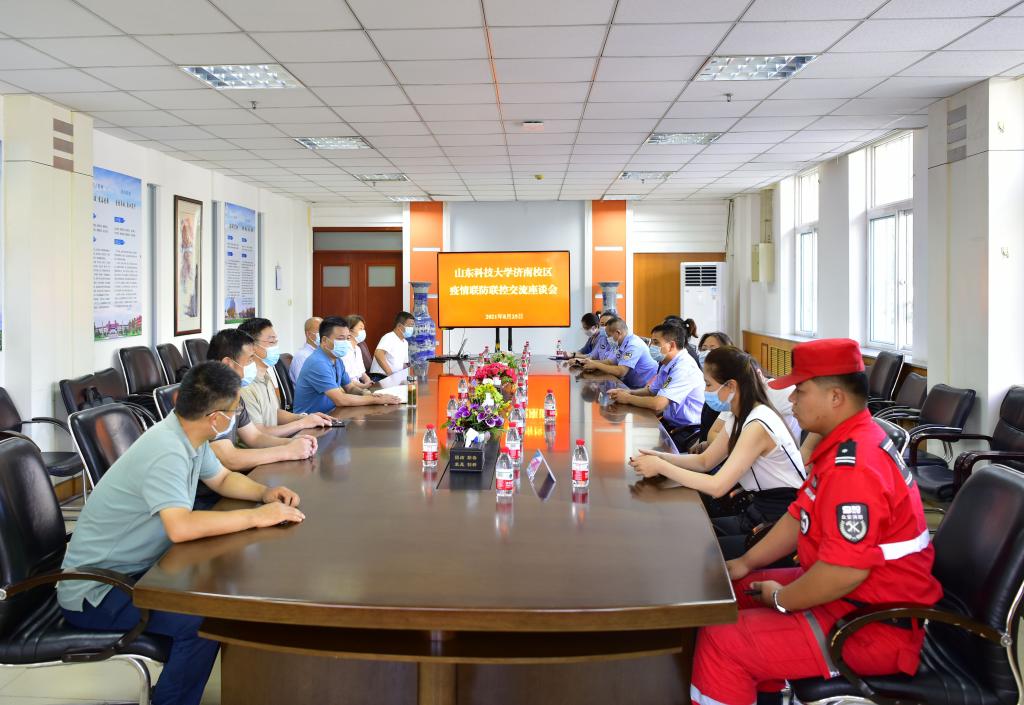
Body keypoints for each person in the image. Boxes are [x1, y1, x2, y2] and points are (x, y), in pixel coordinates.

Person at [686, 338, 942, 705]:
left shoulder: (856, 465)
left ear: (835, 397)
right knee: (730, 590)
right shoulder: (842, 444)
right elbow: (797, 517)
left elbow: (844, 572)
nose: (791, 399)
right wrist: (745, 562)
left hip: (869, 623)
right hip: (846, 598)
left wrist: (782, 599)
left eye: (800, 390)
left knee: (723, 640)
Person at [58, 362, 305, 705]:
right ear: (216, 418)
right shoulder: (167, 450)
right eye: (234, 411)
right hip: (96, 589)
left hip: (136, 570)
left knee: (215, 591)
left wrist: (264, 494)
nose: (235, 418)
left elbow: (221, 479)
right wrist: (257, 517)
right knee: (202, 620)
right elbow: (180, 527)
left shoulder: (189, 434)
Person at [630, 345, 805, 559]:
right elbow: (705, 461)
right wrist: (661, 457)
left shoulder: (758, 422)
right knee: (686, 531)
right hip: (756, 511)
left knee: (694, 551)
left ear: (730, 386)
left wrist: (661, 467)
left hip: (777, 522)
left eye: (708, 384)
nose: (706, 391)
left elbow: (718, 486)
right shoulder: (740, 414)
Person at [207, 329, 317, 470]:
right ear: (229, 363)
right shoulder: (208, 397)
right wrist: (286, 451)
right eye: (250, 359)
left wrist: (292, 442)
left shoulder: (232, 393)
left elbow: (254, 437)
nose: (254, 364)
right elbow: (229, 459)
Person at [237, 317, 336, 435]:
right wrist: (301, 424)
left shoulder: (265, 376)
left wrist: (305, 417)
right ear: (252, 346)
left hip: (276, 441)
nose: (276, 347)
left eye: (276, 341)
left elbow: (274, 413)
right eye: (271, 342)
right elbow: (258, 435)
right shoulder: (245, 385)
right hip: (266, 445)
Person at [294, 316, 403, 413]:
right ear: (324, 340)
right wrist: (375, 400)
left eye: (347, 338)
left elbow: (350, 388)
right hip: (310, 421)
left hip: (332, 413)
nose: (345, 343)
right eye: (340, 338)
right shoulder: (318, 363)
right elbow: (340, 399)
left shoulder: (337, 360)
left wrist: (367, 394)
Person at [607, 323, 704, 431]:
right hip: (672, 424)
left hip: (687, 430)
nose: (651, 346)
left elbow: (658, 404)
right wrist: (629, 392)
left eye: (656, 342)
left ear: (671, 346)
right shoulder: (667, 363)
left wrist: (627, 398)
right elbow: (651, 391)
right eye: (651, 342)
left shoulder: (684, 368)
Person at [580, 317, 658, 388]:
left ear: (618, 333)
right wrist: (589, 362)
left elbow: (621, 371)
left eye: (609, 336)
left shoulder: (633, 345)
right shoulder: (619, 343)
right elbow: (610, 362)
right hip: (628, 383)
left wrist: (596, 365)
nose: (607, 339)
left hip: (644, 387)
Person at [369, 311, 414, 381]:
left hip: (395, 378)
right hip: (381, 377)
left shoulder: (405, 342)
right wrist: (390, 375)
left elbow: (403, 365)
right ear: (399, 326)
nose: (412, 328)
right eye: (410, 326)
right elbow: (378, 354)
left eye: (412, 326)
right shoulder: (389, 337)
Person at [343, 314, 374, 390]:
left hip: (359, 386)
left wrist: (368, 382)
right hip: (348, 388)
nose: (363, 331)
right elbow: (344, 378)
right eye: (360, 328)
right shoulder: (342, 349)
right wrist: (364, 386)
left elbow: (362, 373)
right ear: (349, 331)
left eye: (363, 329)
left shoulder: (358, 349)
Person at [289, 316, 322, 383]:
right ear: (309, 334)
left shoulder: (322, 354)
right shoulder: (302, 357)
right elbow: (305, 385)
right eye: (321, 332)